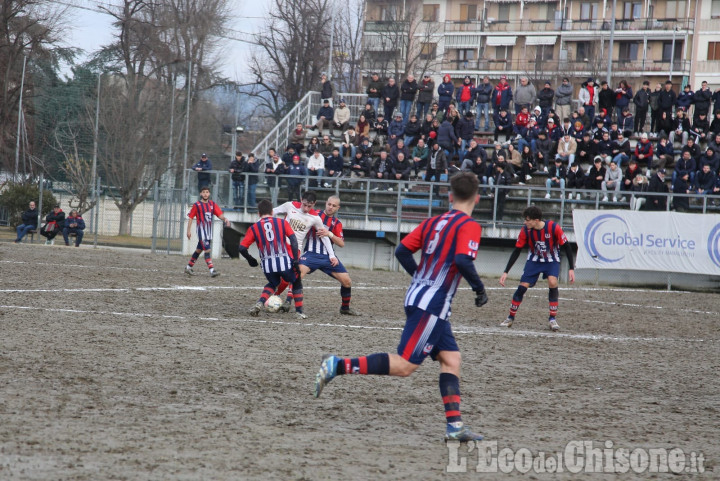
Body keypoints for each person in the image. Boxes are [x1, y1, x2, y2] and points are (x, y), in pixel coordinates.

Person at [313, 172, 489, 443]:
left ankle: (455, 427)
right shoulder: (469, 226)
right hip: (432, 303)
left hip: (419, 297)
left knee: (451, 359)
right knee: (406, 365)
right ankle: (337, 365)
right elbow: (463, 260)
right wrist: (479, 289)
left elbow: (402, 251)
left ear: (450, 196)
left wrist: (420, 277)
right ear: (477, 198)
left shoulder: (433, 222)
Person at [499, 205, 575, 332]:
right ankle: (510, 317)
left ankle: (552, 319)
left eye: (527, 219)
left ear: (536, 220)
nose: (525, 222)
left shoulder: (553, 227)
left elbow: (566, 246)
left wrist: (571, 268)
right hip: (534, 260)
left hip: (551, 261)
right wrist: (506, 271)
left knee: (552, 281)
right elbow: (517, 250)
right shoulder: (525, 230)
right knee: (522, 286)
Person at [238, 199, 306, 319]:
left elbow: (242, 248)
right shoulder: (282, 223)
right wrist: (295, 260)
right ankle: (299, 312)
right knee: (296, 282)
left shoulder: (254, 228)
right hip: (284, 262)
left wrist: (250, 259)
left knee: (273, 283)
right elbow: (294, 241)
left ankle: (260, 303)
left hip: (267, 265)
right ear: (272, 211)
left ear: (259, 214)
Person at [272, 191, 338, 312]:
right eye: (305, 205)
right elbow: (272, 212)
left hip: (295, 249)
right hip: (280, 245)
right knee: (275, 274)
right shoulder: (289, 205)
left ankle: (276, 297)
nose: (307, 208)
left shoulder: (315, 218)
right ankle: (272, 295)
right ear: (301, 200)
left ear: (315, 204)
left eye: (310, 206)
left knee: (289, 277)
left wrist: (332, 255)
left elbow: (324, 236)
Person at [298, 196, 361, 316]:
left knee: (347, 281)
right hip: (311, 254)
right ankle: (287, 302)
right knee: (297, 275)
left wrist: (330, 234)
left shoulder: (337, 223)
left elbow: (341, 243)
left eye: (333, 206)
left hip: (328, 258)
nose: (330, 207)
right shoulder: (314, 214)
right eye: (329, 204)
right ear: (325, 203)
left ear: (338, 208)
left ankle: (345, 308)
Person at [185, 186, 229, 276]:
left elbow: (219, 215)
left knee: (198, 250)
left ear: (209, 194)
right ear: (201, 194)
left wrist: (225, 219)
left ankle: (188, 267)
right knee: (208, 250)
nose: (205, 194)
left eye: (207, 192)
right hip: (202, 231)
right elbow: (190, 218)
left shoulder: (212, 204)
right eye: (203, 192)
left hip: (209, 232)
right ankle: (212, 270)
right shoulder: (197, 205)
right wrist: (188, 231)